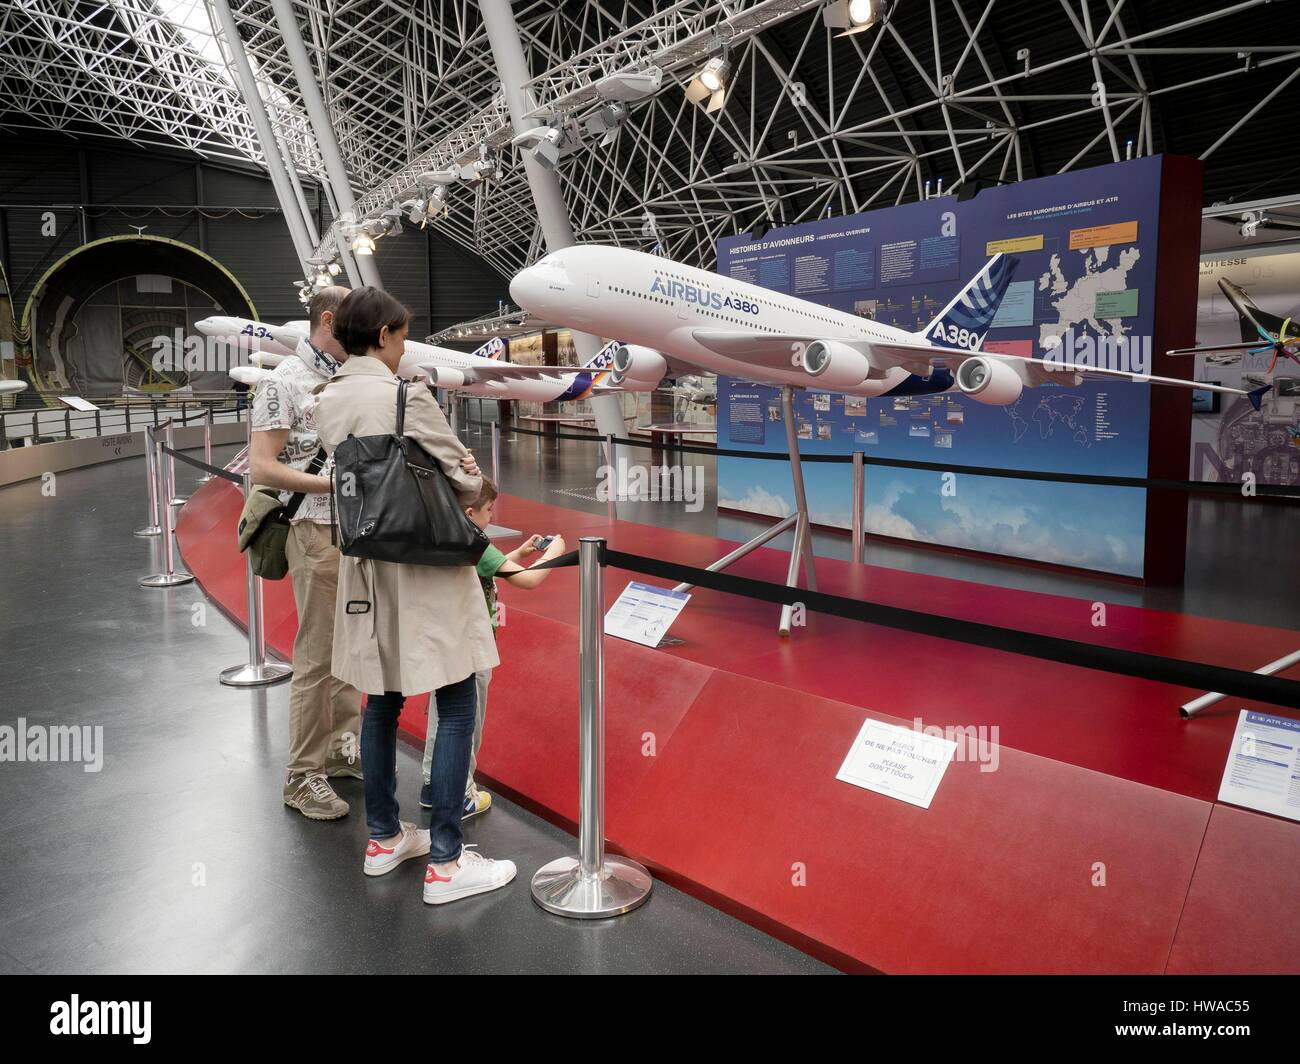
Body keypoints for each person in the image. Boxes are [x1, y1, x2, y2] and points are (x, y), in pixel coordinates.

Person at [312, 286, 516, 905]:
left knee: (382, 700)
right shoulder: (407, 397)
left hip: (366, 568)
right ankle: (448, 862)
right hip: (424, 566)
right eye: (400, 335)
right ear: (382, 336)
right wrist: (468, 476)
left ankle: (382, 839)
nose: (403, 346)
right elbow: (466, 476)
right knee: (454, 700)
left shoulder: (328, 399)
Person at [250, 286, 361, 821]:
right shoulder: (282, 382)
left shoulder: (351, 378)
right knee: (316, 655)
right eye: (354, 324)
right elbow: (263, 467)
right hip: (314, 531)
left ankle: (342, 751)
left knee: (352, 649)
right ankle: (302, 775)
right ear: (327, 321)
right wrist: (332, 487)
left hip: (357, 532)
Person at [418, 478, 567, 815]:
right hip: (471, 645)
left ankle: (433, 783)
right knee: (465, 721)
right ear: (470, 512)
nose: (490, 517)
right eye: (488, 511)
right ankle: (460, 791)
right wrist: (555, 555)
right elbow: (526, 580)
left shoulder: (442, 530)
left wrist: (520, 553)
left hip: (443, 640)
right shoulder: (475, 541)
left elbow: (485, 570)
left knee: (440, 715)